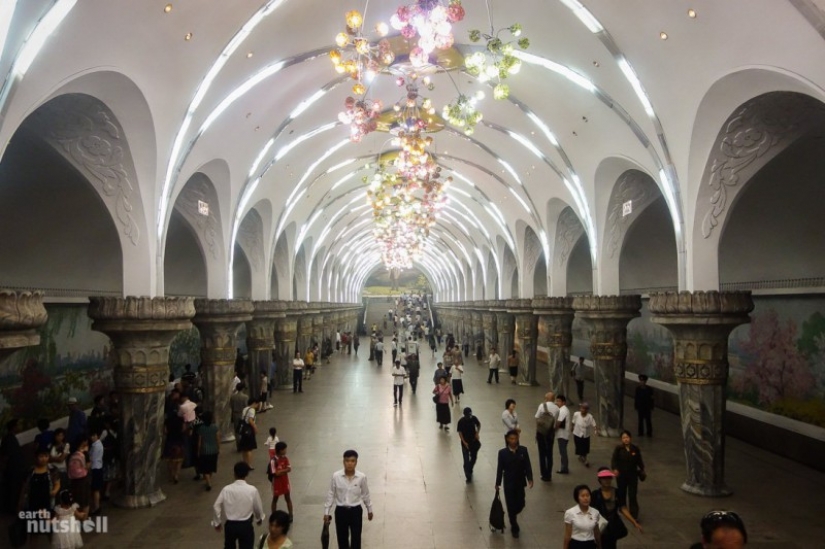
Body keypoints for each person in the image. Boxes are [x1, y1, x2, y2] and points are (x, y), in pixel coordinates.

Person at [323, 449, 374, 549]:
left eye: (352, 461)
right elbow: (331, 493)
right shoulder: (336, 476)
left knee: (356, 538)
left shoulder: (361, 477)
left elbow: (365, 494)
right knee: (342, 539)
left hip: (356, 511)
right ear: (343, 461)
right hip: (341, 511)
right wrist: (326, 511)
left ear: (356, 462)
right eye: (347, 461)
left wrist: (369, 509)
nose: (349, 464)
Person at [212, 461, 266, 549]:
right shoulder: (252, 490)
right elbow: (257, 507)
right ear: (247, 474)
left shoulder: (226, 489)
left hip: (230, 526)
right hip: (245, 525)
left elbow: (216, 506)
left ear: (234, 473)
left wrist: (217, 522)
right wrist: (259, 518)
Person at [590, 468, 642, 549]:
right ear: (599, 480)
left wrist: (634, 522)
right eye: (604, 478)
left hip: (613, 525)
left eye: (609, 478)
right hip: (600, 526)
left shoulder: (617, 492)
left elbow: (623, 508)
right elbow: (590, 511)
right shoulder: (595, 494)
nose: (607, 480)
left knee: (611, 544)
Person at [495, 430, 534, 538]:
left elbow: (528, 466)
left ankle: (514, 513)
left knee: (520, 503)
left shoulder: (523, 451)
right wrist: (497, 483)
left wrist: (530, 478)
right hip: (509, 483)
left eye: (515, 438)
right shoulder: (502, 453)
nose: (513, 441)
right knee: (510, 505)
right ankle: (514, 526)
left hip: (520, 482)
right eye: (511, 439)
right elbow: (500, 469)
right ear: (507, 439)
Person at [611, 430, 645, 521]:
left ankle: (634, 514)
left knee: (632, 494)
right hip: (621, 476)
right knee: (622, 493)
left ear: (630, 438)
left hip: (632, 475)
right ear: (621, 439)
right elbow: (614, 460)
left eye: (627, 437)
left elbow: (639, 461)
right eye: (623, 438)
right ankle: (622, 509)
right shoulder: (618, 449)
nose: (625, 439)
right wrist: (615, 469)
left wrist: (642, 469)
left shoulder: (635, 449)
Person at [563, 485, 602, 549]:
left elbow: (596, 532)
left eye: (588, 495)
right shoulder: (570, 513)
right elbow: (567, 535)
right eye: (582, 496)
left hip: (590, 544)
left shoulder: (595, 512)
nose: (586, 498)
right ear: (577, 498)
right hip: (576, 544)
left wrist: (600, 546)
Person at [534, 391, 560, 482]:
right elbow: (556, 422)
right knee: (549, 454)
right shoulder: (557, 408)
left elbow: (537, 418)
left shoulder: (542, 406)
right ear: (553, 399)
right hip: (550, 433)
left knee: (541, 453)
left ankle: (543, 474)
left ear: (546, 398)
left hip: (541, 432)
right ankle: (549, 475)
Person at [1, 418, 25, 513]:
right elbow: (6, 455)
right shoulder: (9, 438)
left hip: (15, 468)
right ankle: (11, 509)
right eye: (17, 426)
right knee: (12, 489)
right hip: (12, 469)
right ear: (13, 427)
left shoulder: (11, 438)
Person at [67, 436, 91, 514]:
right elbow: (88, 466)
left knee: (75, 500)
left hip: (73, 480)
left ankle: (78, 519)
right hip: (83, 479)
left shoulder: (71, 454)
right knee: (85, 501)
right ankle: (84, 520)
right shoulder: (84, 454)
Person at [269, 441, 293, 519]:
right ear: (280, 450)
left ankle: (291, 515)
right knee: (275, 498)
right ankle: (273, 515)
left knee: (288, 498)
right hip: (277, 483)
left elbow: (289, 469)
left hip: (285, 482)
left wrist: (281, 471)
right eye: (284, 449)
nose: (286, 451)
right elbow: (275, 473)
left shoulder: (285, 458)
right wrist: (284, 470)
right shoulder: (273, 460)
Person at [198, 411, 221, 492]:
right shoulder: (215, 427)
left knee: (205, 468)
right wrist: (219, 448)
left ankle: (208, 482)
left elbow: (200, 442)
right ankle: (209, 480)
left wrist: (198, 451)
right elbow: (218, 439)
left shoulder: (201, 428)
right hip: (214, 450)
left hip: (204, 450)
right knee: (211, 466)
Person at [456, 407, 481, 483]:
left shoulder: (473, 418)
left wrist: (477, 433)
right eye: (467, 415)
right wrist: (464, 442)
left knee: (474, 458)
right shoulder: (461, 422)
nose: (469, 417)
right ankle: (468, 476)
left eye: (470, 415)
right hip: (465, 443)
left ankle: (470, 468)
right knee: (466, 460)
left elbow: (479, 424)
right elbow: (460, 432)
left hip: (473, 442)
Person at [572, 402, 597, 467]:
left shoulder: (590, 416)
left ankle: (584, 459)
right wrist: (572, 427)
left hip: (586, 434)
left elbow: (594, 424)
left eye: (584, 409)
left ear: (587, 410)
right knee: (579, 446)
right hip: (577, 433)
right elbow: (573, 421)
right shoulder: (576, 414)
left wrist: (595, 430)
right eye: (581, 408)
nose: (582, 410)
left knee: (585, 447)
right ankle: (581, 456)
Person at [238, 399, 260, 467]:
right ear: (254, 403)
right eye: (257, 404)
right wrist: (255, 428)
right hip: (249, 430)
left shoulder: (245, 409)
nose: (257, 406)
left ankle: (244, 462)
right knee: (249, 449)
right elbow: (250, 420)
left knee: (244, 448)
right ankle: (249, 464)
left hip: (243, 430)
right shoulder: (252, 410)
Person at [555, 395, 572, 475]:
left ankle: (564, 468)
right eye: (556, 401)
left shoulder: (563, 410)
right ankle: (564, 467)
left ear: (563, 402)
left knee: (563, 451)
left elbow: (558, 422)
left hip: (563, 434)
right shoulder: (562, 410)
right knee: (562, 451)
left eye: (558, 401)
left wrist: (552, 430)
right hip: (563, 434)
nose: (557, 402)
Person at [89, 429, 104, 514]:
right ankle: (96, 506)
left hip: (95, 468)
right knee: (96, 489)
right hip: (98, 467)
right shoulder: (98, 444)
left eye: (93, 436)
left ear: (96, 436)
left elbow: (92, 458)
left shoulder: (95, 446)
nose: (92, 438)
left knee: (95, 489)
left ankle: (96, 507)